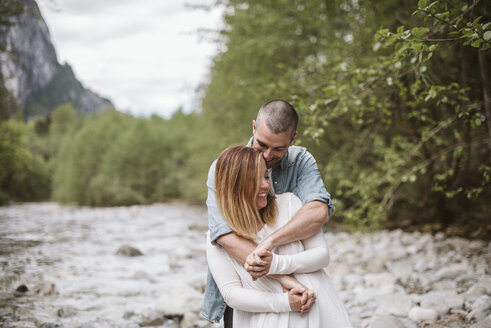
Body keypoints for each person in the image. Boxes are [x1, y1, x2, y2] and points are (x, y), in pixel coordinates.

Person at [201, 100, 334, 326]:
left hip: (301, 292)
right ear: (254, 127)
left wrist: (268, 244)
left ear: (293, 139)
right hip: (249, 290)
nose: (267, 155)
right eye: (261, 145)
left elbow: (318, 211)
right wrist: (283, 280)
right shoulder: (225, 168)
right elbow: (223, 235)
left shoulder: (300, 162)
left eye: (278, 149)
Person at [206, 145, 352, 327]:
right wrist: (285, 303)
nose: (266, 185)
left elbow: (322, 255)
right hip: (264, 321)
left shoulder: (291, 204)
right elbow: (231, 294)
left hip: (320, 314)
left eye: (266, 175)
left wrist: (274, 264)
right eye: (255, 179)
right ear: (235, 185)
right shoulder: (220, 236)